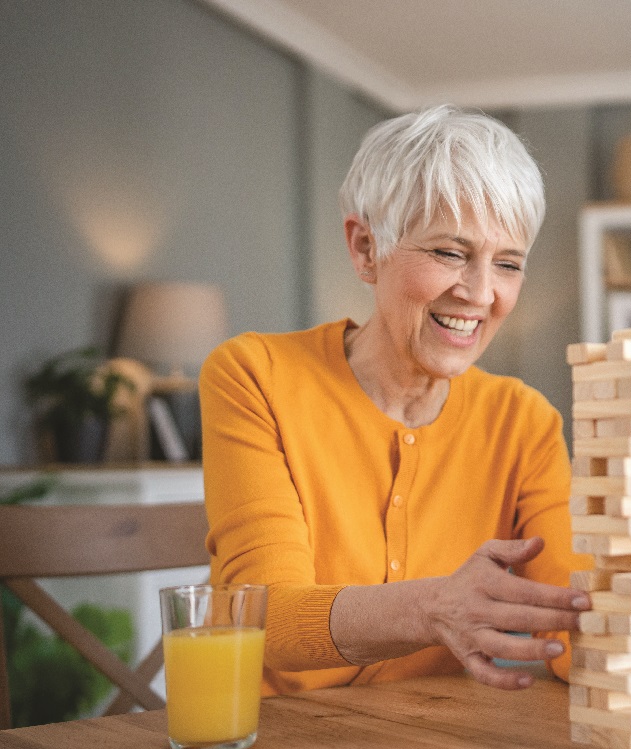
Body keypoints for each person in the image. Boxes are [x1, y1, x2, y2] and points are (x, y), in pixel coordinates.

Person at [200, 106, 591, 696]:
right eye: (449, 253)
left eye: (507, 264)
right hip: (265, 746)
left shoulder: (525, 422)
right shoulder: (256, 376)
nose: (480, 293)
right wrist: (433, 607)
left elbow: (567, 619)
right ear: (365, 248)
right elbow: (264, 620)